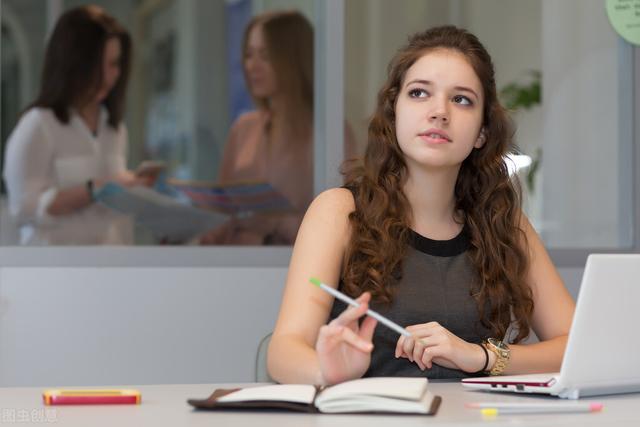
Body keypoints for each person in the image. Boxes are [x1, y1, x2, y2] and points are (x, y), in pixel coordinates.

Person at [267, 26, 575, 385]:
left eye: (461, 99)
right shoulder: (338, 211)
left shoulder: (505, 224)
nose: (439, 112)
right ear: (394, 113)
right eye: (419, 93)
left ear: (482, 133)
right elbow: (284, 350)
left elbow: (575, 346)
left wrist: (481, 356)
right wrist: (328, 371)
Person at [201, 10, 355, 245]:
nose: (252, 66)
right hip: (234, 267)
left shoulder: (330, 132)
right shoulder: (244, 128)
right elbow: (222, 210)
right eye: (248, 55)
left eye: (266, 55)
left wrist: (277, 223)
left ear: (292, 58)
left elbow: (345, 226)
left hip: (292, 267)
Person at [3, 5, 150, 245]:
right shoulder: (38, 125)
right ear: (72, 63)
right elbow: (24, 209)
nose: (108, 76)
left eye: (114, 64)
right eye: (97, 65)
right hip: (55, 275)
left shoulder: (115, 129)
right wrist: (96, 188)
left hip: (113, 270)